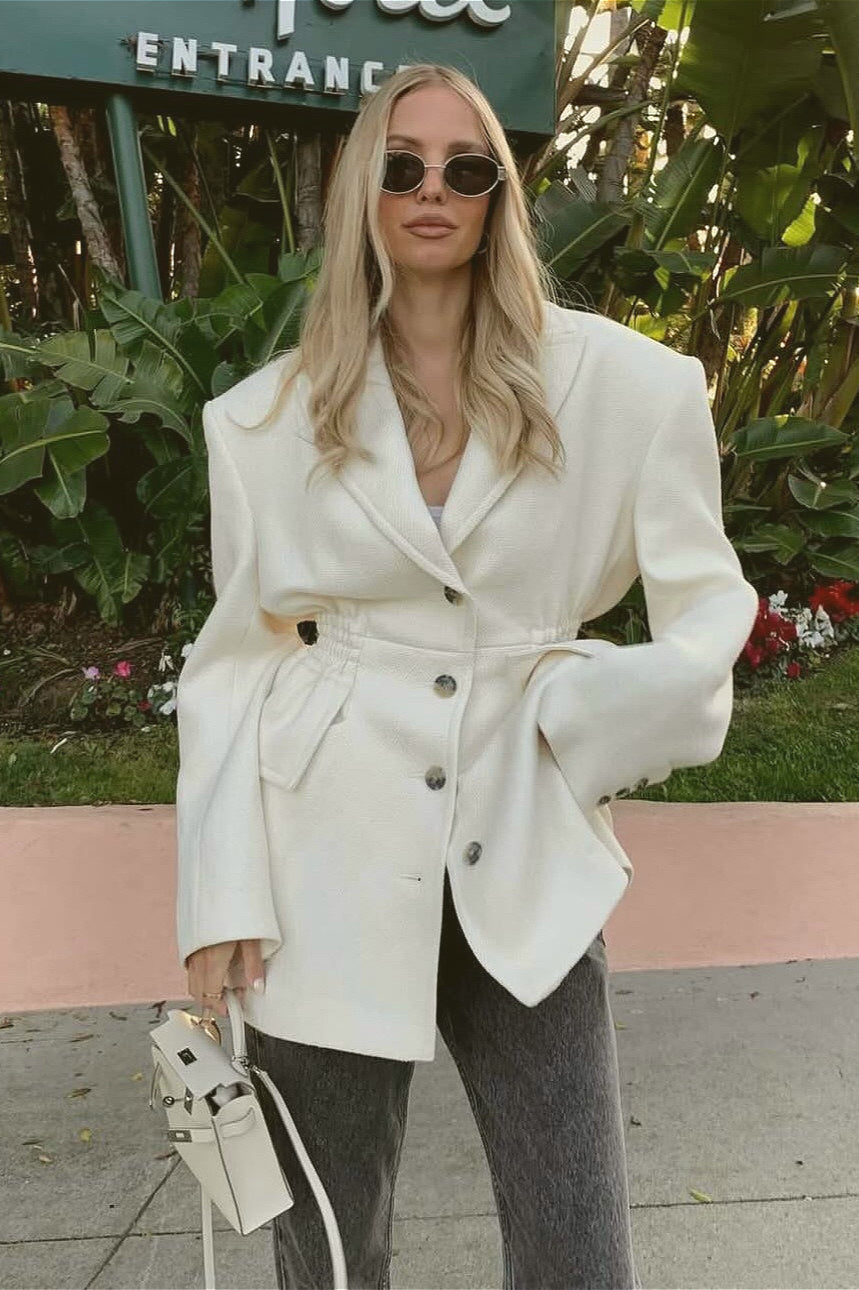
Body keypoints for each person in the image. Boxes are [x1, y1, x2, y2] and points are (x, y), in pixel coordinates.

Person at [175, 62, 758, 1290]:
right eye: (399, 166)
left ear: (499, 194)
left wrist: (585, 720)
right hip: (320, 846)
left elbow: (709, 613)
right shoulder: (261, 420)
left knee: (576, 1247)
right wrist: (218, 892)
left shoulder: (630, 389)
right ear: (360, 192)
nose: (430, 189)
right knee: (329, 1252)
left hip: (527, 839)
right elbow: (234, 666)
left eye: (464, 166)